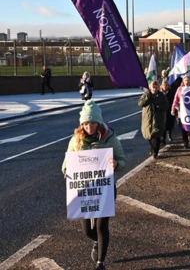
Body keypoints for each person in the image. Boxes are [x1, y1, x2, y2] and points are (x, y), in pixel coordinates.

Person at [61, 100, 126, 270]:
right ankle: (96, 241)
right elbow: (66, 162)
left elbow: (122, 159)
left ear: (98, 122)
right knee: (87, 230)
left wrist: (116, 164)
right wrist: (66, 170)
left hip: (104, 189)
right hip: (83, 190)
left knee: (101, 225)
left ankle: (100, 262)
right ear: (82, 124)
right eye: (86, 123)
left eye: (93, 122)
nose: (89, 126)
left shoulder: (109, 137)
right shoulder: (75, 140)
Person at [138, 80, 169, 159]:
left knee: (156, 136)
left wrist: (158, 108)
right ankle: (153, 149)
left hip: (158, 119)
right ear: (150, 87)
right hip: (147, 119)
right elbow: (140, 103)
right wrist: (147, 97)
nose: (154, 89)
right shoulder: (146, 94)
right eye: (153, 87)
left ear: (158, 87)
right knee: (149, 136)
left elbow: (166, 105)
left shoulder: (161, 95)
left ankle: (155, 152)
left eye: (156, 87)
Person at [171, 76, 190, 148]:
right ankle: (185, 142)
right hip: (182, 112)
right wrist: (173, 109)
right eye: (185, 80)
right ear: (183, 81)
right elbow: (175, 99)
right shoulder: (180, 89)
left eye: (188, 80)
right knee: (184, 128)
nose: (187, 82)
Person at [160, 80, 179, 144]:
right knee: (163, 125)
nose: (165, 86)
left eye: (166, 85)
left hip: (170, 110)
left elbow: (174, 100)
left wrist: (174, 109)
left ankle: (169, 134)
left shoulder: (171, 92)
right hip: (162, 111)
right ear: (162, 86)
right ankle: (163, 138)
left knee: (170, 124)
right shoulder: (160, 93)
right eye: (164, 85)